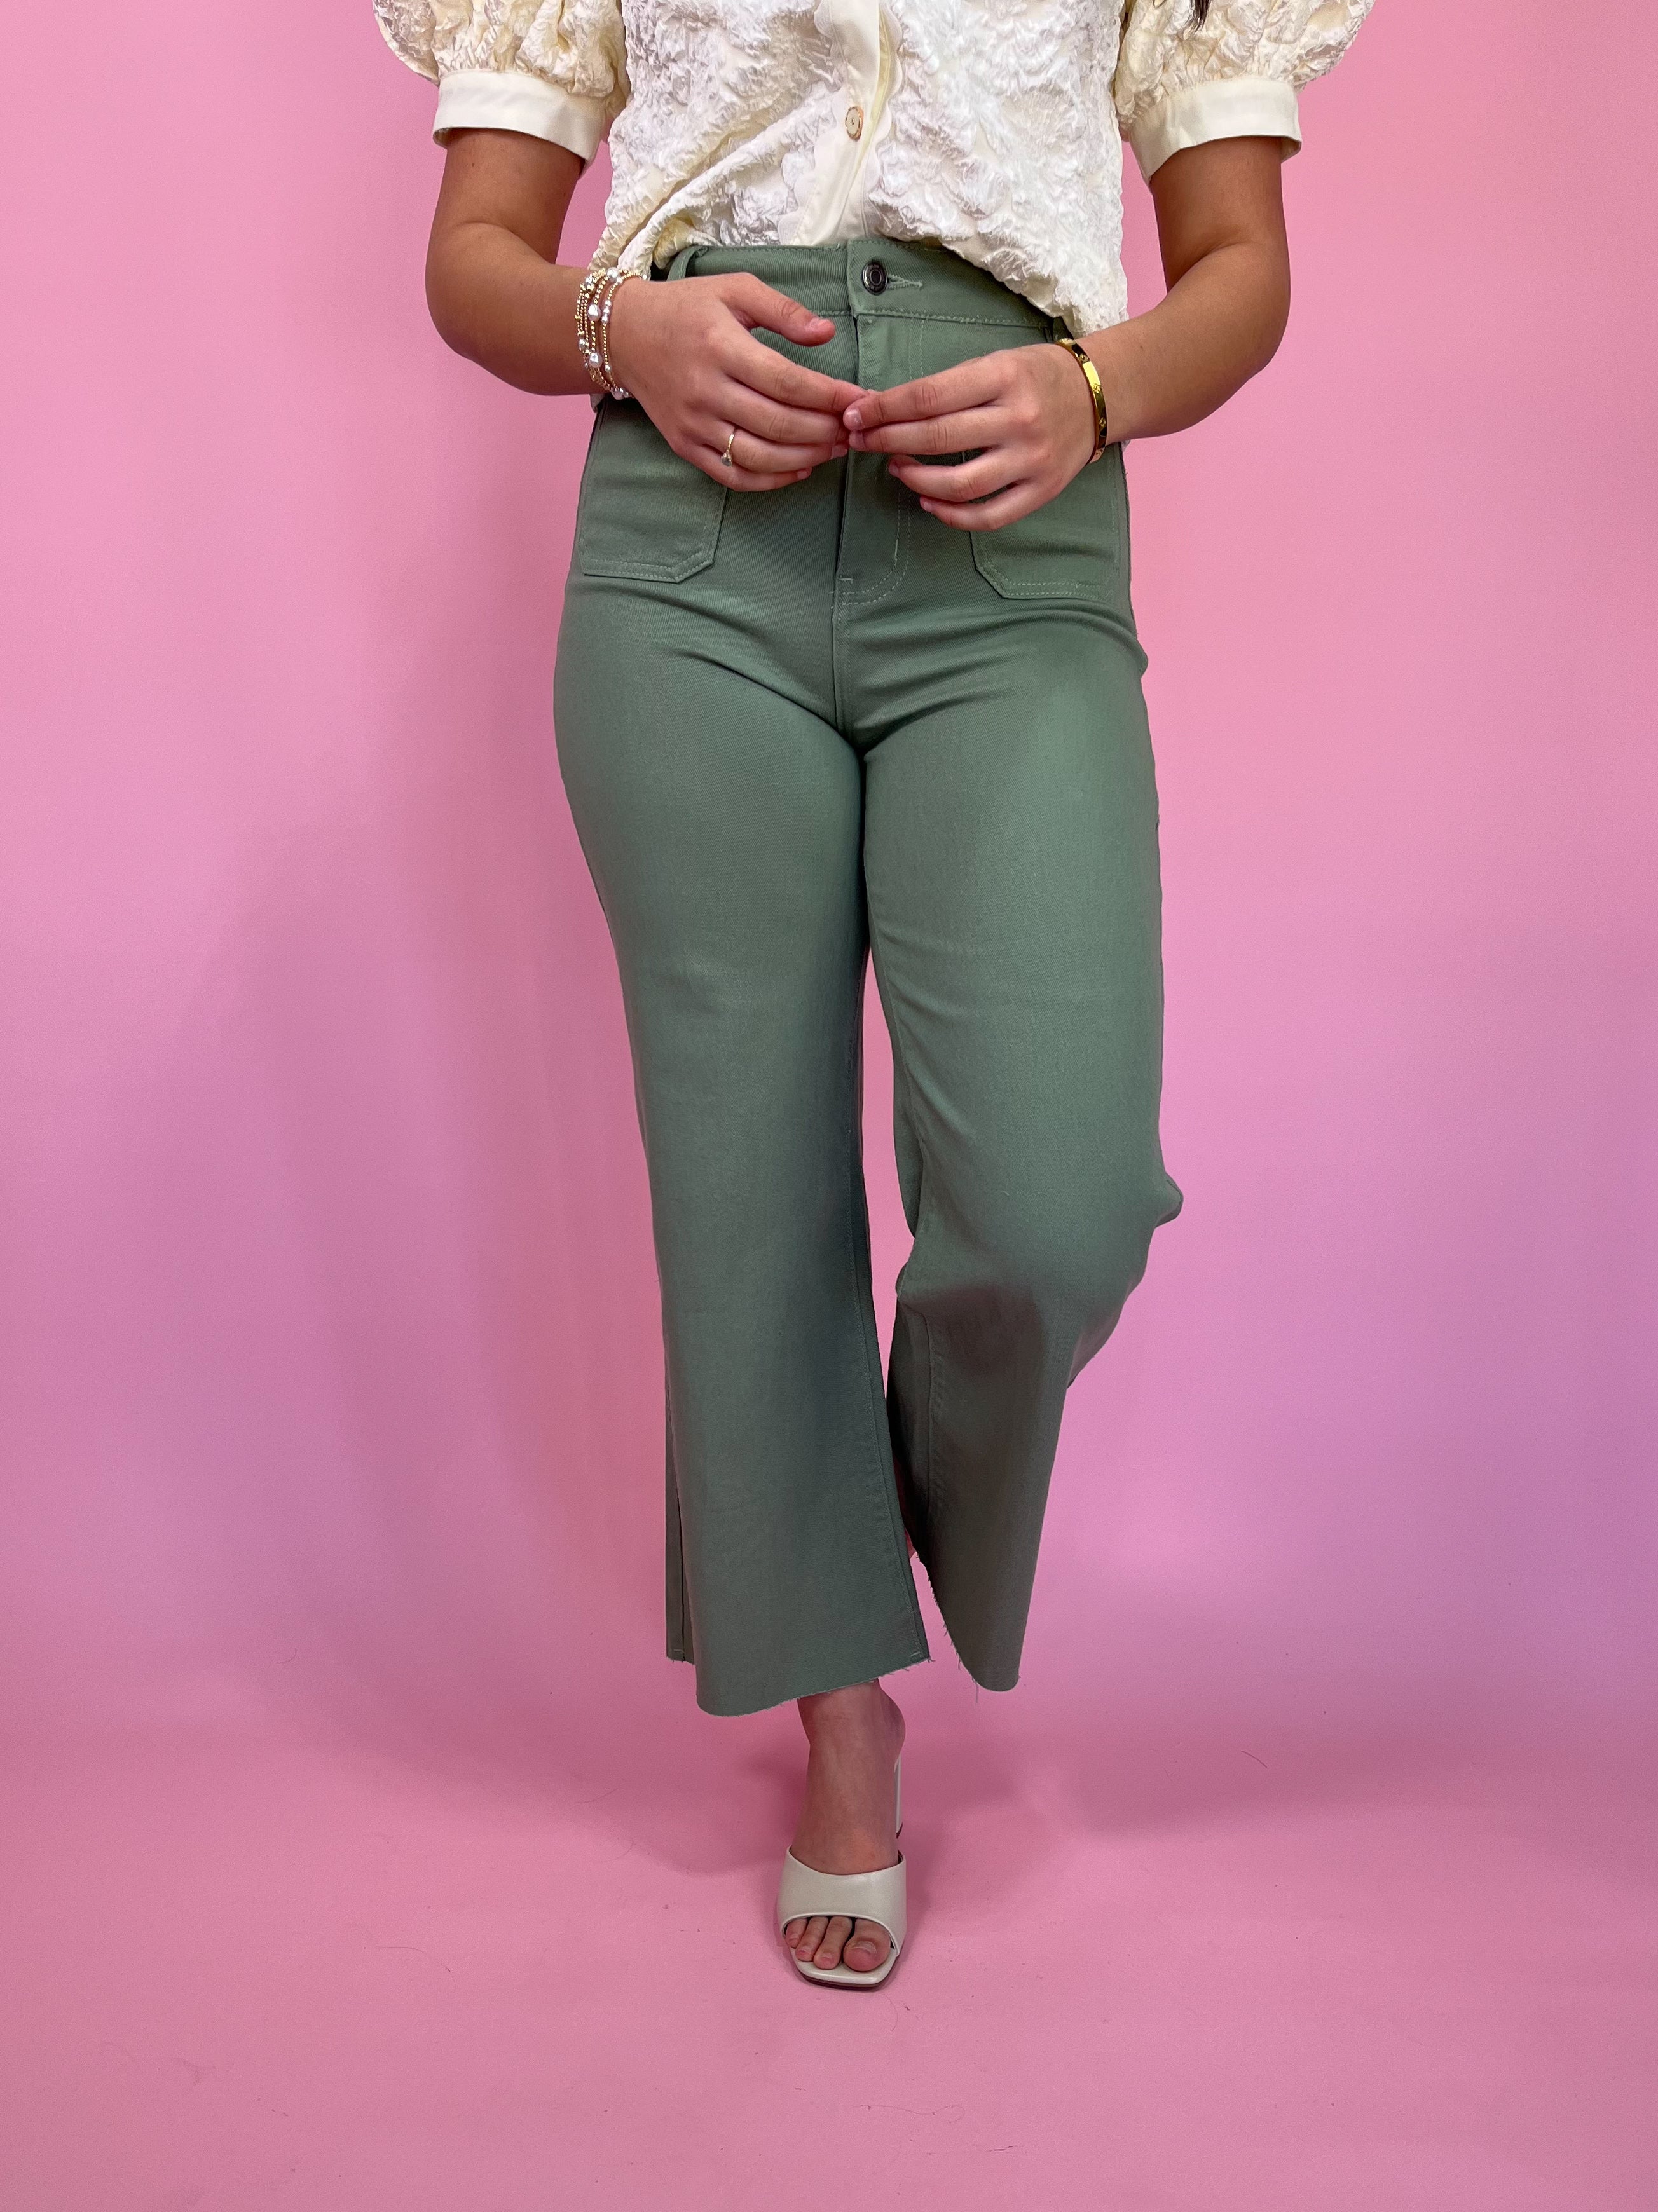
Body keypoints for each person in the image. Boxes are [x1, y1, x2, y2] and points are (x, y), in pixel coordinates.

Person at [374, 0, 1371, 1988]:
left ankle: (830, 1515)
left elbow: (1239, 276)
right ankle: (845, 1721)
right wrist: (622, 331)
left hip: (1008, 535)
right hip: (688, 543)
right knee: (742, 1192)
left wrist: (1096, 387)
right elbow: (476, 261)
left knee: (1058, 1204)